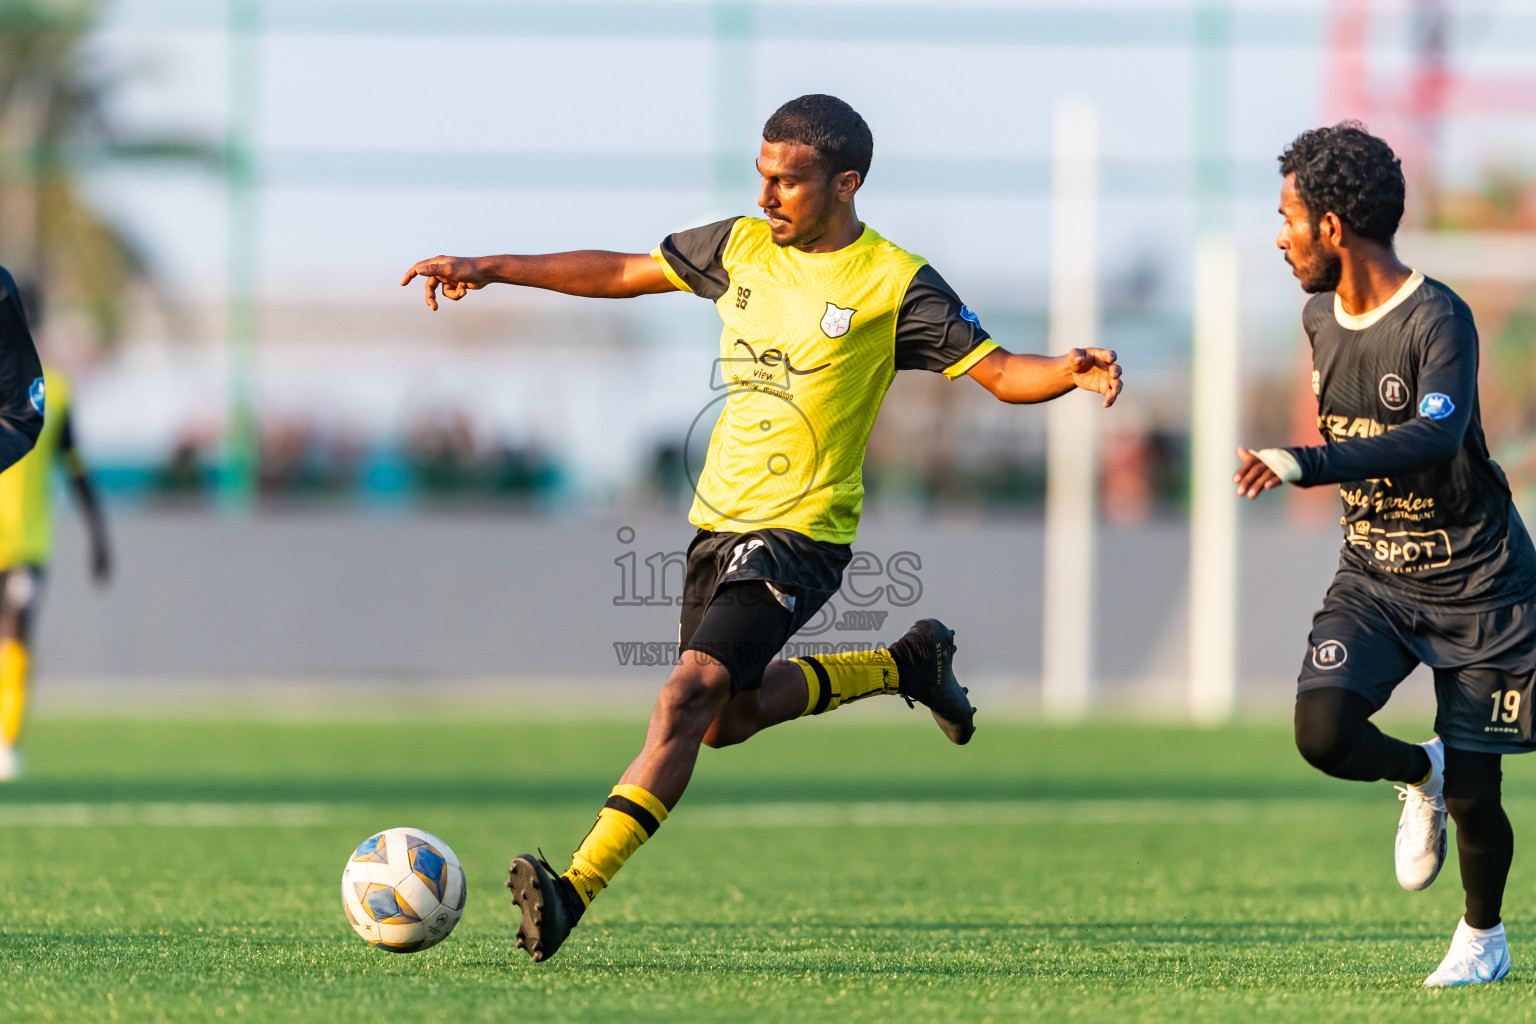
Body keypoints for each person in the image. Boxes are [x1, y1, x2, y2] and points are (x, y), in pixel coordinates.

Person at [402, 94, 1123, 963]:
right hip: (717, 525)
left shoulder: (895, 283)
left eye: (788, 182)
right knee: (722, 722)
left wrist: (1069, 370)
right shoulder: (738, 248)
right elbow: (623, 272)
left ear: (845, 183)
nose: (768, 197)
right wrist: (493, 266)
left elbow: (1001, 372)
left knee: (684, 695)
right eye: (762, 178)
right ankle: (905, 664)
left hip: (801, 534)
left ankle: (572, 890)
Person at [1236, 123, 1533, 987]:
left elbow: (1436, 433)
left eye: (1287, 216)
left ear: (1332, 227)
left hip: (1479, 584)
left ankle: (1483, 939)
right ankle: (1420, 771)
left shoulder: (1440, 316)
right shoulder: (1316, 316)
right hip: (1373, 577)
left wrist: (1309, 462)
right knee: (1322, 734)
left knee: (1481, 797)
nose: (1279, 234)